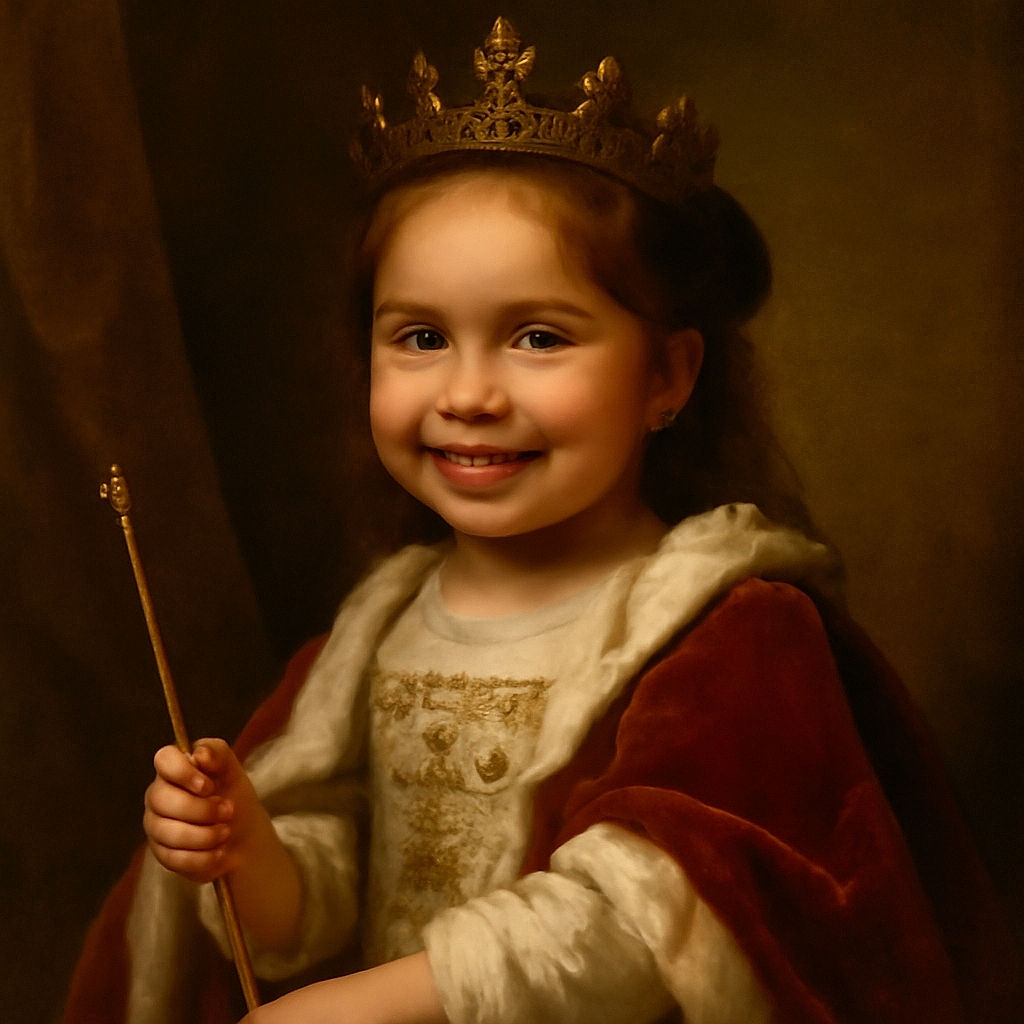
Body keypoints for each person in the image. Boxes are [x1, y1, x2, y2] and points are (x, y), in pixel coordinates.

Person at [63, 17, 1018, 1024]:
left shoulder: (726, 637)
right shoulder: (373, 630)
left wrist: (370, 1007)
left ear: (668, 373)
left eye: (536, 336)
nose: (468, 393)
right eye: (422, 337)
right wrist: (251, 853)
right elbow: (330, 892)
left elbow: (647, 919)